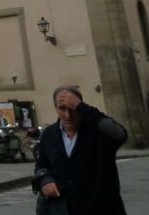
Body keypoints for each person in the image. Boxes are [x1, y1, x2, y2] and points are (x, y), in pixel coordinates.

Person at [34, 85, 127, 214]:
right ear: (56, 108)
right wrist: (45, 180)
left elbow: (120, 134)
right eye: (62, 109)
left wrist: (83, 108)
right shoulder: (49, 134)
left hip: (101, 208)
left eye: (72, 109)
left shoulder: (98, 131)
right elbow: (41, 165)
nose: (68, 115)